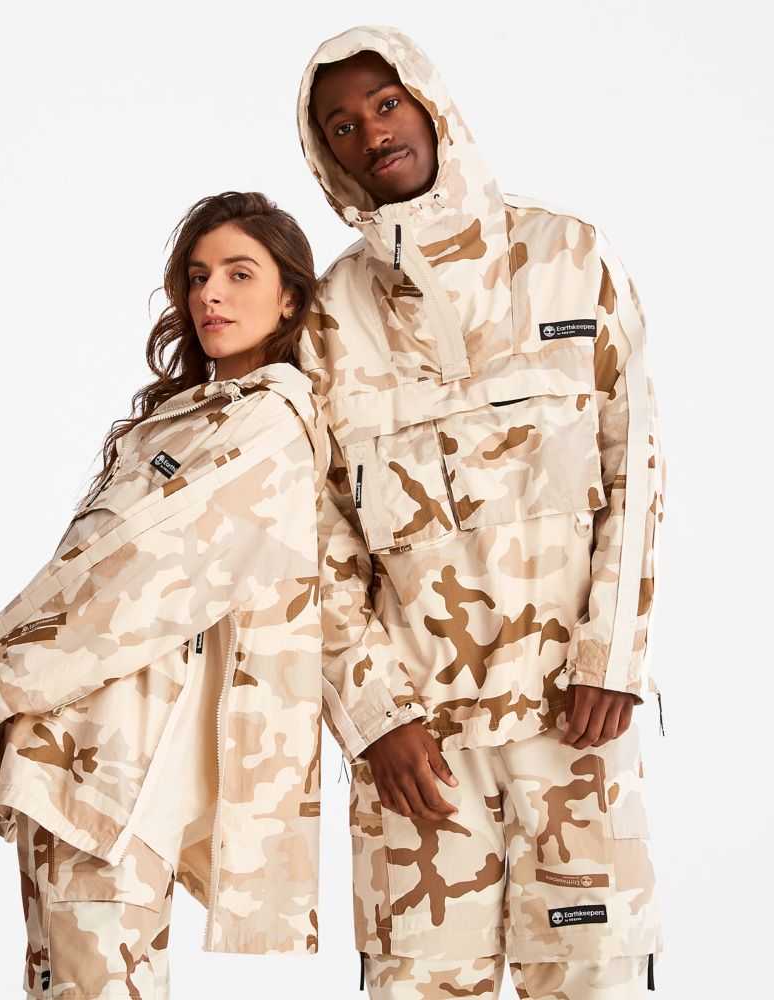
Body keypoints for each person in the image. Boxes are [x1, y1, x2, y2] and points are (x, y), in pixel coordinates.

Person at [0, 191, 330, 999]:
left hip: (123, 784)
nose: (211, 295)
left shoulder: (266, 428)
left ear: (290, 298)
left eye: (239, 273)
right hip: (71, 768)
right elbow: (67, 591)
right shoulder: (183, 422)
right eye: (198, 276)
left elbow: (119, 605)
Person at [295, 27, 664, 1000]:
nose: (372, 133)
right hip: (419, 750)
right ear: (327, 157)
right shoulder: (332, 317)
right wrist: (374, 716)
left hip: (574, 724)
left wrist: (613, 657)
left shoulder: (569, 257)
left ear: (429, 103)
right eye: (342, 126)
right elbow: (314, 538)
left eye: (385, 104)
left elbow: (635, 463)